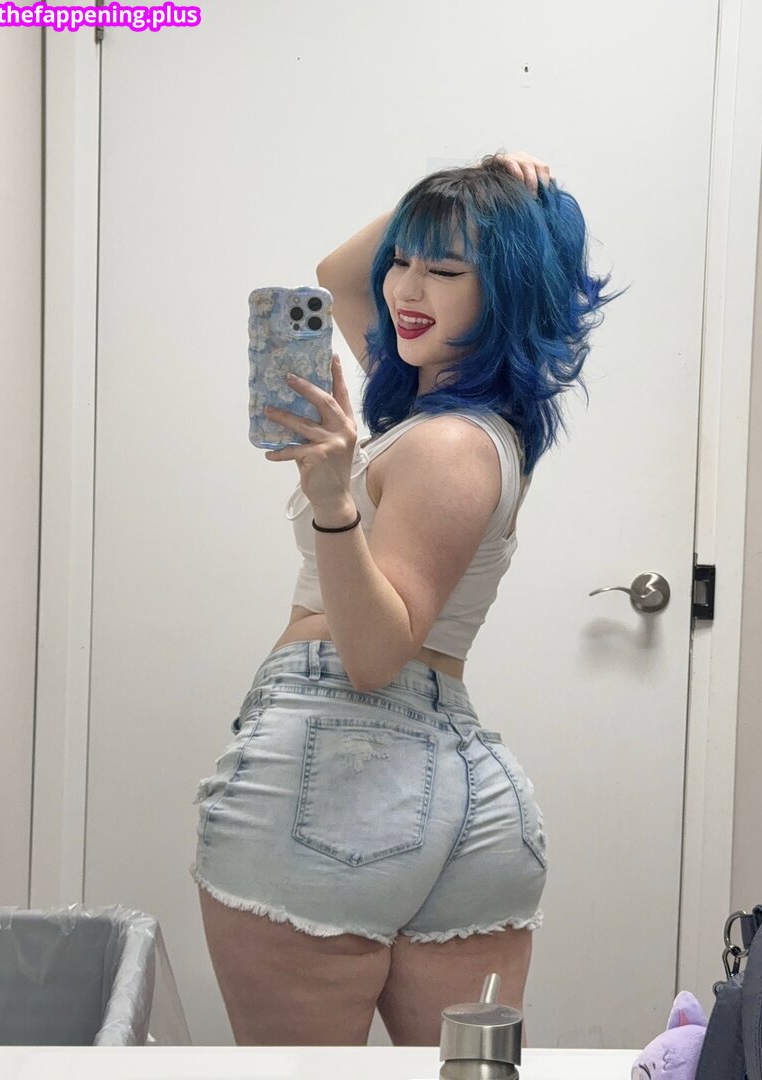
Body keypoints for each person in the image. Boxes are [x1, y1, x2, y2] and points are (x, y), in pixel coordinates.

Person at [190, 150, 624, 1047]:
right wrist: (476, 184)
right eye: (406, 259)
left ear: (505, 293)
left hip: (330, 763)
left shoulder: (447, 446)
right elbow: (338, 273)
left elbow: (375, 656)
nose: (405, 288)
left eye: (447, 269)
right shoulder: (455, 421)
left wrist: (333, 503)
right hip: (463, 791)